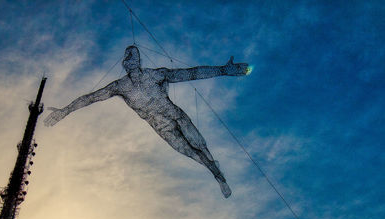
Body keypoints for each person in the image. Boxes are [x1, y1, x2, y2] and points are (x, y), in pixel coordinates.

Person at [45, 45, 250, 198]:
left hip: (175, 115)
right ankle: (215, 172)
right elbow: (90, 97)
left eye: (134, 55)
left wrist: (224, 70)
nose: (131, 58)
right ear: (125, 63)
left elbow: (191, 73)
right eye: (128, 56)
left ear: (139, 60)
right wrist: (65, 110)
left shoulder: (156, 75)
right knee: (189, 152)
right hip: (162, 127)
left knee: (199, 145)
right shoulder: (120, 86)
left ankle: (218, 175)